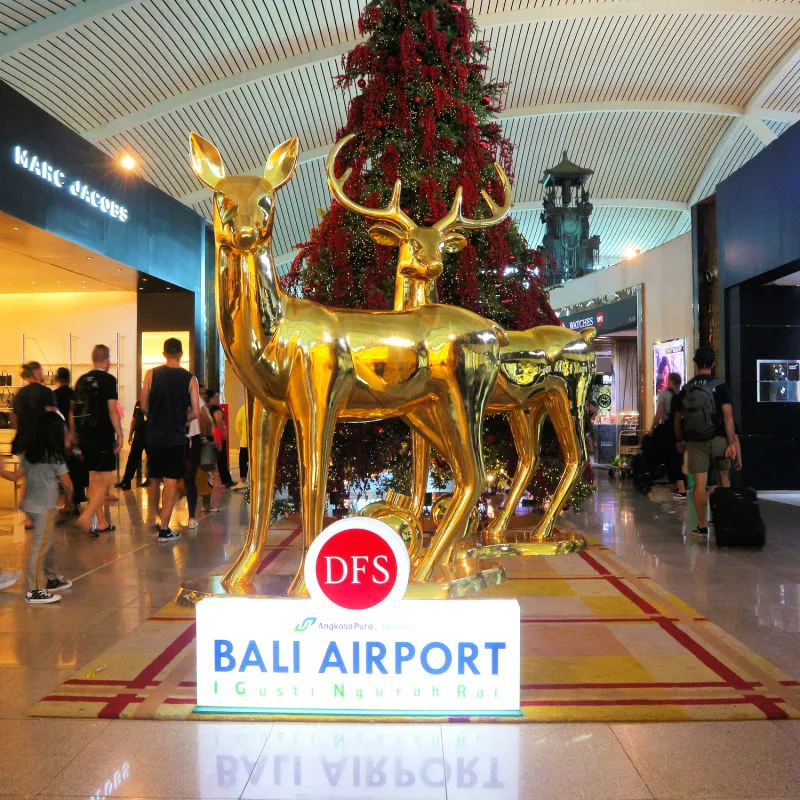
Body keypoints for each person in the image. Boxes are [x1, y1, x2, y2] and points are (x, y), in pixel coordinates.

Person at [1, 411, 73, 604]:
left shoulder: (29, 452)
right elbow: (67, 484)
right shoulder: (55, 456)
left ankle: (53, 578)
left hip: (29, 506)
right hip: (45, 507)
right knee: (40, 547)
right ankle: (34, 590)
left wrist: (1, 470)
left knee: (47, 542)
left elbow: (16, 477)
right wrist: (69, 499)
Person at [673, 347, 737, 539]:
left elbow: (677, 419)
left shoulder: (686, 388)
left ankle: (701, 526)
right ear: (713, 364)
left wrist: (680, 439)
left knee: (699, 485)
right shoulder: (720, 386)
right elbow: (728, 416)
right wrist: (732, 442)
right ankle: (723, 520)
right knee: (723, 480)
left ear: (695, 363)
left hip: (695, 443)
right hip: (719, 440)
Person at [142, 337, 200, 541]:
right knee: (170, 482)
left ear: (164, 354)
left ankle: (151, 518)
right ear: (181, 354)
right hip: (175, 436)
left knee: (154, 477)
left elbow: (144, 406)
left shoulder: (151, 374)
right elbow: (196, 411)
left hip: (154, 434)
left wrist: (157, 416)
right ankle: (164, 529)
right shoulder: (190, 379)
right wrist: (181, 419)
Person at [73, 345, 124, 536]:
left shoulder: (81, 380)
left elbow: (74, 411)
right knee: (105, 478)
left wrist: (74, 435)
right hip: (101, 434)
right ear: (107, 360)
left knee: (93, 478)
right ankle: (87, 516)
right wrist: (119, 433)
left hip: (84, 435)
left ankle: (101, 520)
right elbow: (112, 408)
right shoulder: (108, 380)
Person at [653, 372, 686, 499]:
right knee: (680, 457)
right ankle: (681, 486)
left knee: (673, 458)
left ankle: (681, 489)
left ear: (670, 381)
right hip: (683, 428)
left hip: (669, 428)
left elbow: (659, 414)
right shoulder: (682, 394)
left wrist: (652, 429)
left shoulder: (664, 394)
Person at [11, 361, 55, 458]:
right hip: (41, 443)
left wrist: (20, 431)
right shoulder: (46, 392)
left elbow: (13, 417)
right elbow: (52, 415)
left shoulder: (19, 393)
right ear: (37, 372)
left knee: (25, 472)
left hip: (23, 443)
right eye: (41, 370)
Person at [185, 388, 212, 529]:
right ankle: (191, 517)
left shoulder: (167, 394)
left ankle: (161, 519)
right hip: (192, 441)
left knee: (170, 479)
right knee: (191, 479)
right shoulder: (192, 396)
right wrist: (207, 436)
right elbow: (205, 418)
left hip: (174, 439)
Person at [115, 401, 147, 490]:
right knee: (132, 458)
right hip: (138, 436)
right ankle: (126, 480)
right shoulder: (138, 403)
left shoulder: (152, 400)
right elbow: (134, 419)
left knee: (151, 459)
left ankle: (150, 479)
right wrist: (130, 434)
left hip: (149, 435)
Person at [204, 389, 227, 512]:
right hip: (215, 435)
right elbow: (218, 421)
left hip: (212, 436)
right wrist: (223, 431)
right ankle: (217, 482)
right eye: (216, 397)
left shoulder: (207, 408)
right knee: (215, 460)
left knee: (214, 460)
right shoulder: (215, 410)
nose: (218, 399)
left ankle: (217, 480)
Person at [232, 403, 248, 490]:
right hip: (257, 442)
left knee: (243, 462)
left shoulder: (243, 408)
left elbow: (238, 425)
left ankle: (242, 481)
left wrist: (241, 434)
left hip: (245, 441)